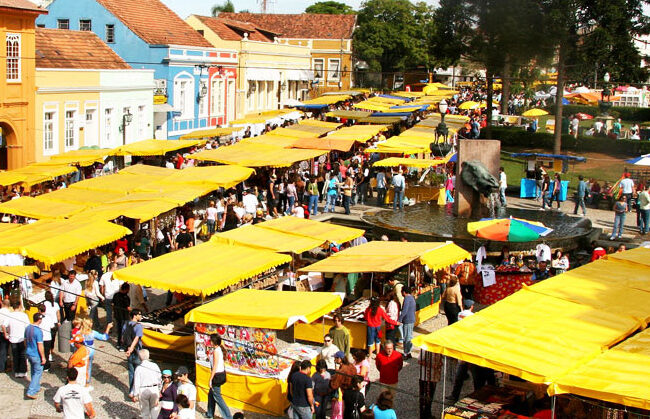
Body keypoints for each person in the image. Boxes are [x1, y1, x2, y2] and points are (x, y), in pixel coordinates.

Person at [205, 334, 232, 419]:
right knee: (211, 394)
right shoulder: (219, 349)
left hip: (217, 376)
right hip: (220, 374)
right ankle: (210, 413)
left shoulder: (216, 351)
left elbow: (215, 366)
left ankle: (228, 416)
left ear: (213, 342)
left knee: (217, 397)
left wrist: (210, 379)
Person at [131, 349, 162, 419]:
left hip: (143, 389)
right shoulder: (154, 365)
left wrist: (135, 394)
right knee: (154, 409)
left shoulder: (138, 368)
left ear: (139, 357)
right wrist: (159, 389)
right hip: (154, 388)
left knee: (145, 411)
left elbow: (136, 382)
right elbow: (159, 378)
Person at [4, 299, 28, 377]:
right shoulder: (23, 315)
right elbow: (28, 326)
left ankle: (17, 372)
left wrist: (5, 334)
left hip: (12, 338)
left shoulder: (10, 315)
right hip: (21, 337)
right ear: (19, 306)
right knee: (22, 355)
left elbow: (4, 325)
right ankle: (22, 371)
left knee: (15, 355)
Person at [25, 312, 46, 399]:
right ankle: (31, 391)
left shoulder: (28, 328)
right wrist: (43, 357)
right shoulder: (38, 331)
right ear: (40, 320)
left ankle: (36, 387)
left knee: (34, 371)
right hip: (36, 354)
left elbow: (25, 340)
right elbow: (40, 345)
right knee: (38, 373)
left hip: (29, 352)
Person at [124, 309, 144, 396]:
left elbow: (123, 337)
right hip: (136, 351)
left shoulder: (126, 324)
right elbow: (136, 338)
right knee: (138, 372)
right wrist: (132, 348)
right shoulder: (138, 326)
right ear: (135, 315)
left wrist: (128, 349)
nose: (140, 316)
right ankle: (136, 391)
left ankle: (131, 391)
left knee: (131, 372)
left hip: (128, 350)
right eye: (139, 314)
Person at [418, 351, 442, 419]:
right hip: (425, 378)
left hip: (434, 377)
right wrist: (432, 366)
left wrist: (440, 363)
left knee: (430, 398)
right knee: (424, 399)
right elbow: (419, 361)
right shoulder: (425, 348)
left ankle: (428, 414)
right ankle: (423, 416)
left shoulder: (438, 347)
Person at [399, 286, 416, 359]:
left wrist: (400, 319)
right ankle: (408, 352)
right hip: (411, 319)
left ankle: (406, 353)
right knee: (409, 336)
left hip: (408, 320)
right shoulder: (411, 298)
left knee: (406, 337)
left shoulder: (407, 299)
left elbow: (404, 311)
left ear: (404, 292)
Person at [112, 282, 130, 351]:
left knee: (119, 330)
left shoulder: (116, 295)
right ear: (126, 289)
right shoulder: (126, 297)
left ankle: (118, 344)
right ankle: (123, 346)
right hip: (124, 316)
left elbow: (113, 304)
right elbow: (128, 307)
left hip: (117, 315)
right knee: (124, 331)